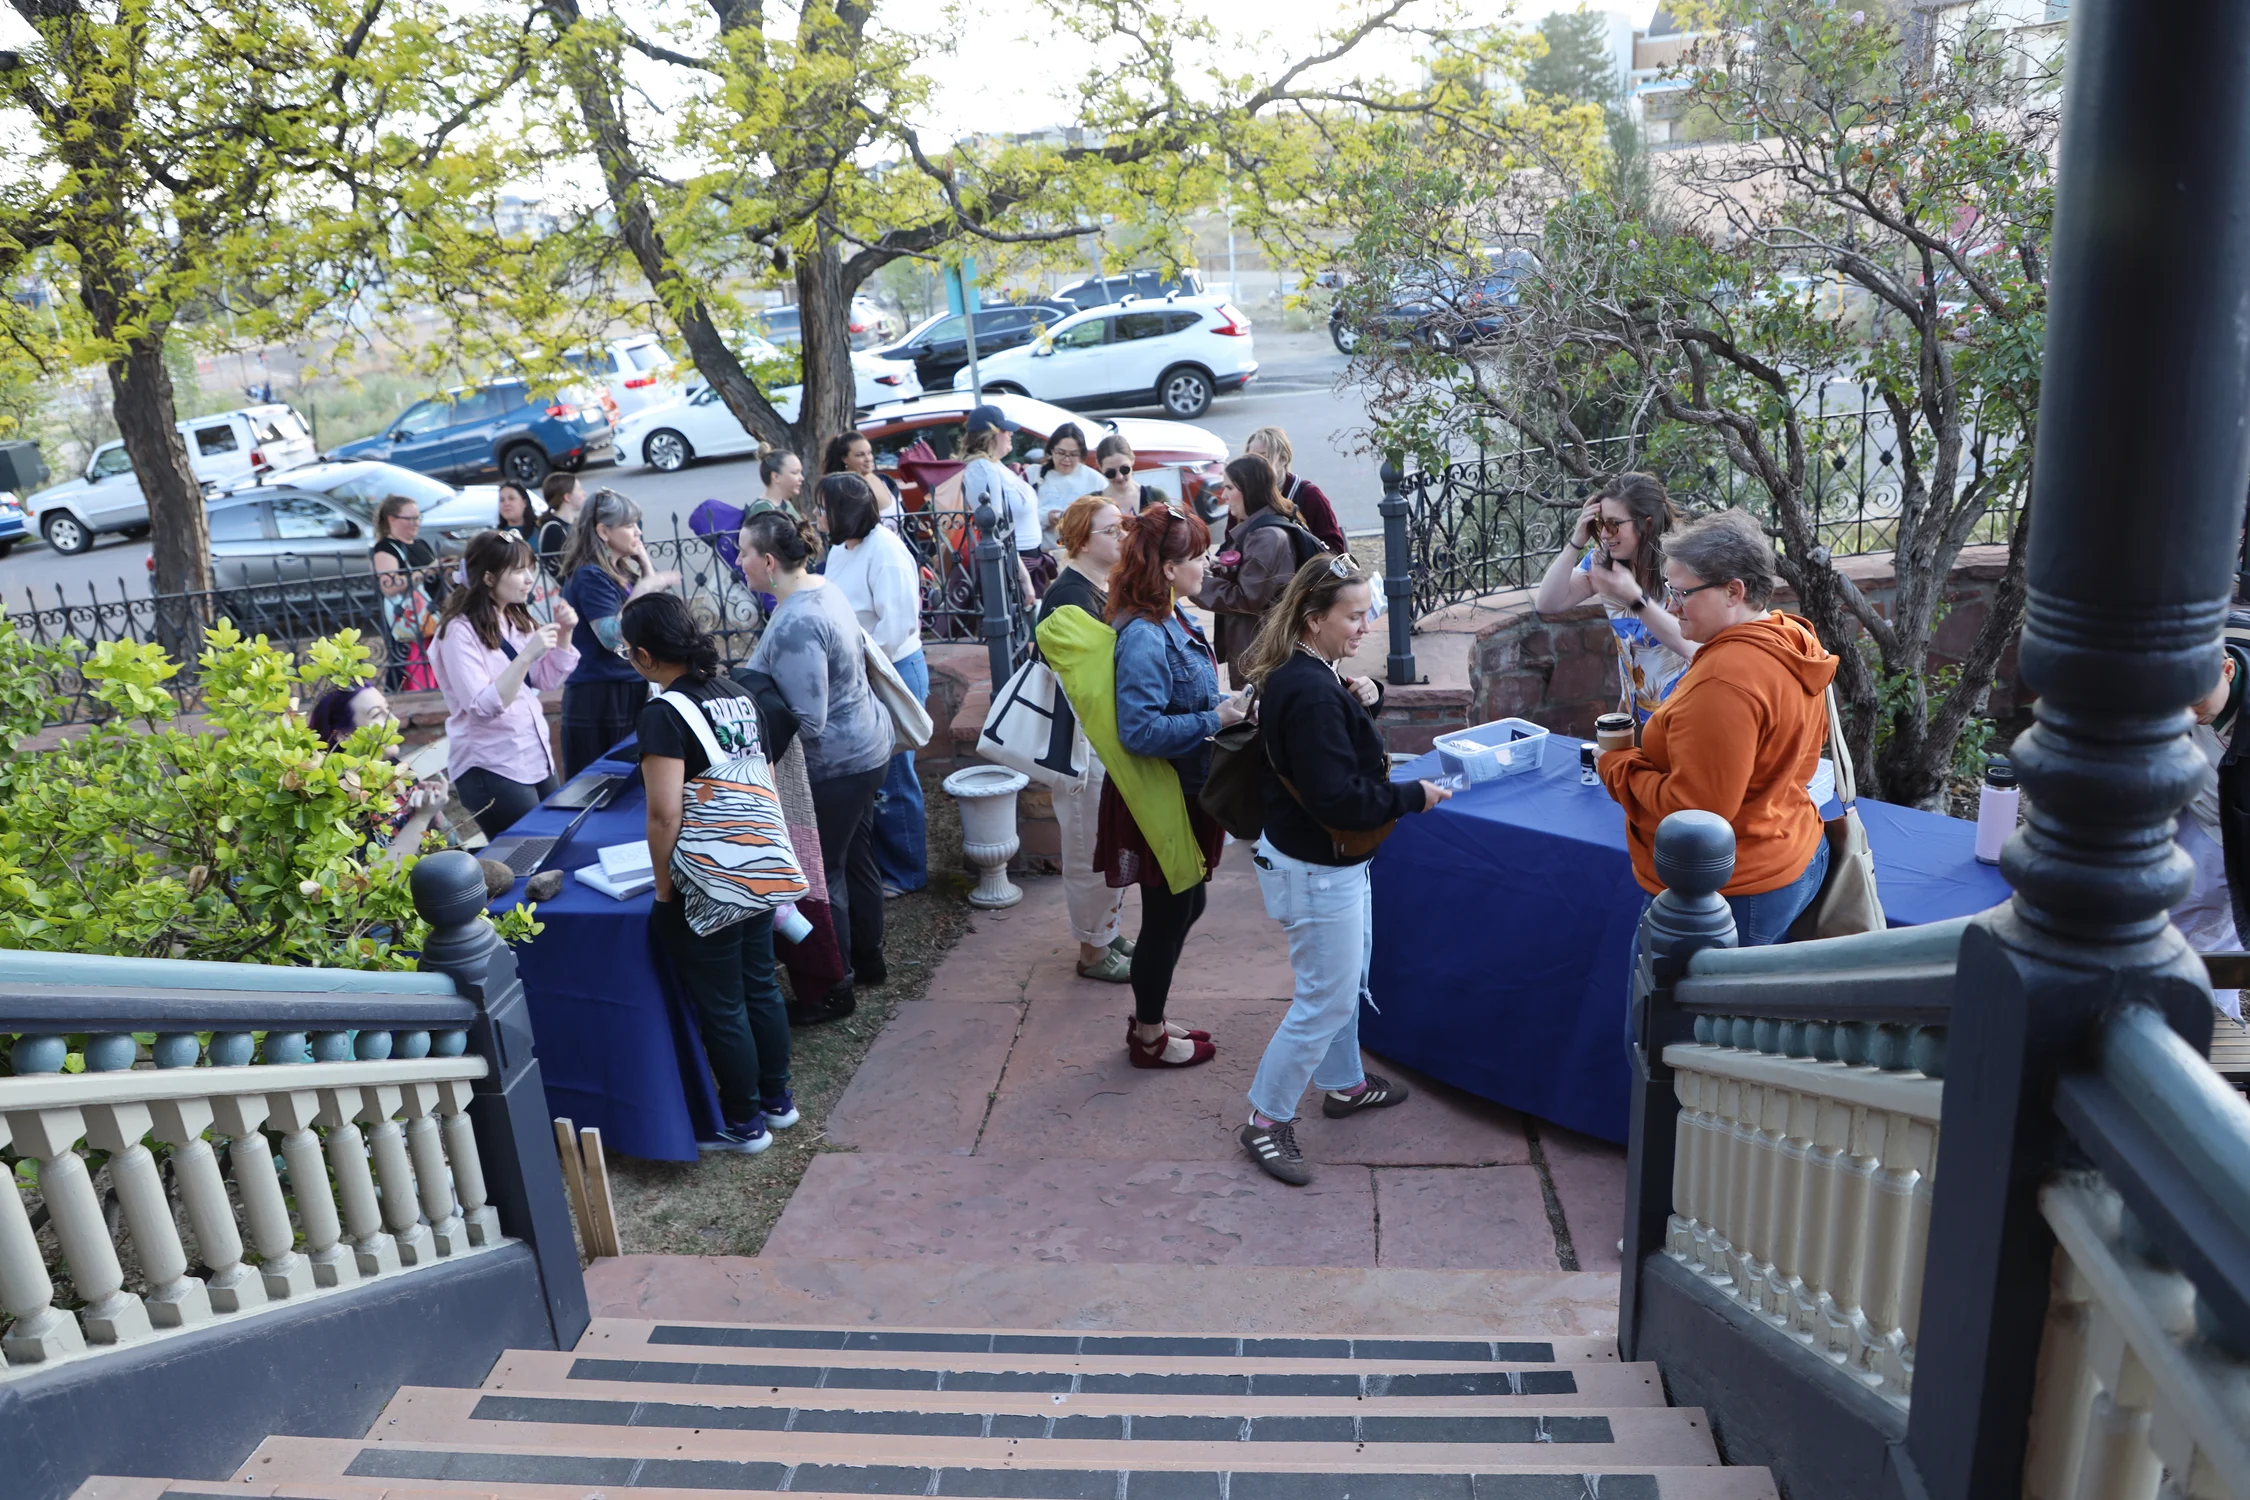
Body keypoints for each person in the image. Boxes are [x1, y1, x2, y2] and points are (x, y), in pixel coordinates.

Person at [1233, 556, 1453, 1185]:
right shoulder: (1308, 691)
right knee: (1323, 1001)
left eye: (1366, 613)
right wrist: (1413, 796)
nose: (1366, 626)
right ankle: (1265, 1120)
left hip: (1322, 862)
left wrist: (1369, 695)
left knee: (1343, 981)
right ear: (1314, 618)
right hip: (1316, 869)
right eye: (1354, 617)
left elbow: (1330, 752)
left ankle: (1344, 1084)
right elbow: (1337, 798)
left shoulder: (1305, 672)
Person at [1599, 509, 1835, 946]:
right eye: (1668, 590)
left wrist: (1616, 765)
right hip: (1792, 846)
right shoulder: (1789, 637)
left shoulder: (1725, 681)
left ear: (1734, 591)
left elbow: (1697, 815)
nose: (1671, 606)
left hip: (1727, 891)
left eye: (1682, 593)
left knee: (1668, 995)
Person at [620, 591, 799, 1155]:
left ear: (645, 655)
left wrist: (664, 891)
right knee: (760, 983)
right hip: (759, 863)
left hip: (708, 878)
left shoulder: (663, 713)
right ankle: (778, 1100)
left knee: (723, 1004)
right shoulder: (739, 694)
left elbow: (664, 814)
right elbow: (765, 780)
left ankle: (744, 1122)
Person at [1095, 504, 1250, 1067]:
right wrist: (1217, 718)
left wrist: (1226, 706)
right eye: (1198, 556)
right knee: (1168, 914)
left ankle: (1150, 1017)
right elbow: (1139, 731)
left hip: (1186, 790)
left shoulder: (1174, 616)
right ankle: (1148, 1037)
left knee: (1186, 904)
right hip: (1165, 797)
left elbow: (1185, 698)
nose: (1208, 565)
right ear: (1166, 569)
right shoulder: (1144, 633)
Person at [739, 508, 894, 1021]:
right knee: (857, 856)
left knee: (823, 874)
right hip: (867, 748)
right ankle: (868, 961)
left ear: (767, 561)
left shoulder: (797, 622)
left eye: (743, 553)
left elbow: (808, 720)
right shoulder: (821, 589)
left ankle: (833, 989)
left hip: (838, 766)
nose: (738, 562)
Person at [430, 530, 583, 837]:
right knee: (529, 852)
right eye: (518, 571)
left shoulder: (514, 618)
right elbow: (481, 706)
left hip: (533, 755)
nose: (529, 579)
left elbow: (545, 679)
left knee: (558, 840)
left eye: (530, 569)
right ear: (489, 578)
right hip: (492, 765)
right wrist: (525, 656)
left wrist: (565, 633)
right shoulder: (458, 632)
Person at [819, 471, 929, 896]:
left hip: (889, 670)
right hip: (861, 670)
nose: (817, 516)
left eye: (823, 508)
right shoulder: (841, 548)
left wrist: (858, 668)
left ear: (844, 510)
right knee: (876, 774)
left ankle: (908, 873)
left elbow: (897, 626)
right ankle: (886, 863)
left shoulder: (886, 551)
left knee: (895, 775)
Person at [1040, 494, 1133, 982]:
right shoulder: (1068, 598)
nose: (1123, 536)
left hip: (1100, 740)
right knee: (1088, 848)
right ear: (1080, 540)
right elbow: (1090, 682)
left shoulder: (1098, 586)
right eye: (1111, 530)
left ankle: (1106, 933)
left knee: (1108, 842)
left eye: (1123, 526)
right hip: (1079, 745)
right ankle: (1092, 952)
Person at [1532, 472, 1692, 727]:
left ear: (1647, 524)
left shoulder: (1682, 570)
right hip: (1634, 712)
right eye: (1600, 523)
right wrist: (1576, 540)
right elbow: (1548, 603)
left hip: (1680, 715)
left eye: (1614, 524)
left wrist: (1635, 598)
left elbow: (1693, 647)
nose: (1605, 534)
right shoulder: (1604, 564)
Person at [557, 489, 680, 775]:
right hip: (599, 699)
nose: (638, 532)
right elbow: (613, 637)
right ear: (603, 531)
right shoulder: (590, 575)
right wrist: (644, 588)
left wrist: (645, 568)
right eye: (629, 525)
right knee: (603, 783)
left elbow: (649, 616)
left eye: (637, 524)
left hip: (625, 689)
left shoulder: (620, 572)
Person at [1196, 453, 1318, 682]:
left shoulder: (1266, 537)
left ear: (1248, 489)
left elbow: (1246, 598)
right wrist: (1217, 567)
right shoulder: (1264, 527)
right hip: (1264, 650)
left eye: (1229, 488)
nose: (1224, 496)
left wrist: (1197, 581)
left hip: (1263, 655)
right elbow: (1254, 580)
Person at [307, 682, 450, 861]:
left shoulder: (394, 768)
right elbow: (369, 875)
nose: (394, 721)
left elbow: (446, 846)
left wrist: (430, 805)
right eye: (376, 714)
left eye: (388, 709)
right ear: (343, 735)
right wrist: (421, 818)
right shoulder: (338, 801)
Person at [2180, 648, 2247, 1018]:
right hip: (2190, 814)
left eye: (2196, 700)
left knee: (2205, 939)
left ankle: (2210, 1022)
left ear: (2227, 669)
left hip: (2230, 843)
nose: (2188, 714)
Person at [961, 404, 1053, 595]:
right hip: (1014, 565)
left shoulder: (995, 465)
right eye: (1004, 430)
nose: (1010, 434)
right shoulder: (982, 468)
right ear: (990, 435)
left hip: (1029, 560)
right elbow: (994, 529)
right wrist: (1023, 577)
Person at [370, 495, 443, 691]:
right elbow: (389, 586)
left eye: (418, 518)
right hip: (411, 626)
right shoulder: (385, 549)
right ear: (392, 520)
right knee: (419, 675)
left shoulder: (421, 544)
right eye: (410, 518)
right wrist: (426, 572)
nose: (415, 523)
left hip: (433, 619)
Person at [1244, 427, 1348, 556]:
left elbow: (1335, 550)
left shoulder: (1309, 495)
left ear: (1283, 458)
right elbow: (1230, 547)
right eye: (1251, 458)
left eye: (1264, 457)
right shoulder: (1244, 496)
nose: (1255, 464)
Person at [1035, 422, 1105, 550]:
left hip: (1080, 552)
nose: (1066, 460)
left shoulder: (1095, 480)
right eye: (1061, 453)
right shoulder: (1034, 474)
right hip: (1042, 552)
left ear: (1081, 454)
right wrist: (1046, 518)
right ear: (1051, 450)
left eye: (1073, 455)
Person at [824, 429, 904, 521]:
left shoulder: (885, 481)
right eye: (860, 455)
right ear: (844, 459)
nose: (868, 459)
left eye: (869, 453)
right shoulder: (842, 491)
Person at [1094, 434, 1168, 513]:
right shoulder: (1091, 503)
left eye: (1124, 469)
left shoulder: (1156, 497)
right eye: (1111, 473)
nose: (1119, 477)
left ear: (1132, 460)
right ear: (1100, 467)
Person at [536, 472, 585, 575]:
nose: (584, 493)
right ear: (567, 497)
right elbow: (557, 571)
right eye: (579, 490)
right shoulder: (553, 529)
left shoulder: (578, 523)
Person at [748, 448, 806, 522]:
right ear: (776, 477)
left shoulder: (786, 504)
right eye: (795, 473)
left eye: (800, 472)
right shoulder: (763, 511)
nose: (802, 478)